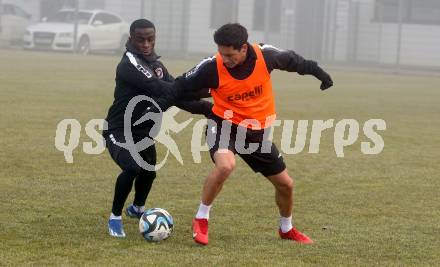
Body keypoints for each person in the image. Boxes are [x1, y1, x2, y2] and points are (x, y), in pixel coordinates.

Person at [172, 23, 333, 245]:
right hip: (223, 126)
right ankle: (201, 218)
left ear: (244, 48)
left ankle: (286, 229)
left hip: (255, 134)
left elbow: (294, 61)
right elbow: (178, 89)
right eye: (221, 53)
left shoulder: (265, 56)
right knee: (226, 165)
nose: (224, 58)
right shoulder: (211, 67)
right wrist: (203, 108)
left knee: (286, 185)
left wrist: (319, 73)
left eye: (229, 54)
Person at [103, 19, 212, 238]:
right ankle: (115, 218)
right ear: (131, 38)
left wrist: (208, 108)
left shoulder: (156, 64)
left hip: (142, 132)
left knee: (149, 171)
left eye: (150, 39)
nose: (145, 44)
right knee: (132, 168)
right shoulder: (129, 64)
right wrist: (207, 90)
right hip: (119, 129)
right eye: (141, 39)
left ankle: (137, 209)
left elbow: (174, 94)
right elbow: (161, 88)